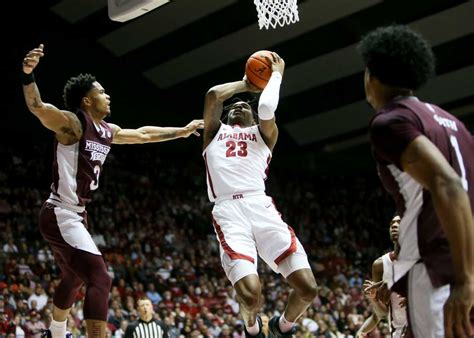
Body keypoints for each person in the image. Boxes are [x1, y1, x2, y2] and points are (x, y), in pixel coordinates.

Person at [22, 43, 203, 338]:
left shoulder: (107, 130)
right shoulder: (73, 124)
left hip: (76, 215)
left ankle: (54, 333)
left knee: (73, 278)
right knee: (101, 277)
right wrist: (28, 75)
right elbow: (38, 108)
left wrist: (181, 130)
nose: (108, 96)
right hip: (59, 212)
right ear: (87, 100)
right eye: (102, 92)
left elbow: (144, 135)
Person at [357, 25, 474, 338]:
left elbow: (448, 185)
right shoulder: (453, 123)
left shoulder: (391, 121)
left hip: (439, 269)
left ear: (372, 75)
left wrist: (464, 280)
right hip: (455, 262)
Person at [202, 52, 318, 338]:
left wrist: (275, 75)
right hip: (228, 211)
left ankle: (282, 328)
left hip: (260, 205)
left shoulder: (264, 134)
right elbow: (214, 95)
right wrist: (245, 84)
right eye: (235, 105)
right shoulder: (214, 132)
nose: (238, 105)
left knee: (308, 289)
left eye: (244, 106)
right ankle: (252, 329)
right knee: (251, 295)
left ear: (253, 117)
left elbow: (266, 107)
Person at [357, 215, 408, 338]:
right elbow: (380, 313)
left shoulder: (424, 260)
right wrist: (374, 299)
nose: (394, 226)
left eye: (399, 223)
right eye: (392, 224)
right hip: (399, 332)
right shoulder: (380, 265)